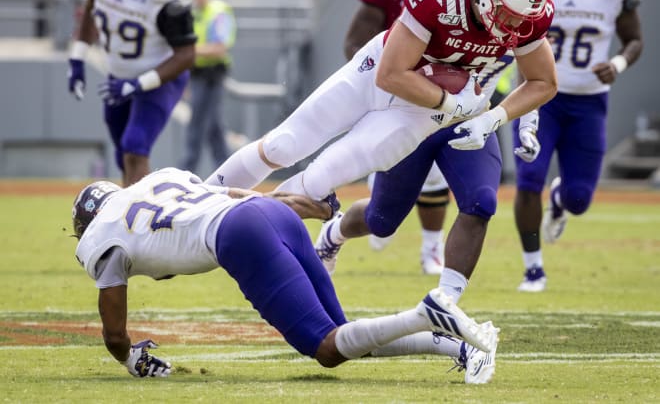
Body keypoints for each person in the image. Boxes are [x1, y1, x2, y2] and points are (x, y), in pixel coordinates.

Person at [205, 0, 557, 228]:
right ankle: (199, 202)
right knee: (285, 144)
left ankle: (245, 229)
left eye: (523, 17)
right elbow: (390, 74)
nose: (516, 26)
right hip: (384, 74)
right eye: (508, 13)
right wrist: (453, 106)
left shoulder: (528, 18)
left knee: (319, 180)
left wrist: (492, 118)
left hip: (421, 111)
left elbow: (544, 81)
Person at [70, 168, 499, 383]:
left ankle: (426, 314)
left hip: (238, 235)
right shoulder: (156, 182)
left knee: (327, 350)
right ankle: (454, 348)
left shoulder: (104, 236)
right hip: (266, 211)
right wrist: (304, 207)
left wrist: (130, 359)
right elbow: (238, 196)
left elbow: (113, 332)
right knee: (348, 337)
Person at [312, 0, 541, 313]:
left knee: (482, 201)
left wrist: (520, 120)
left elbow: (538, 75)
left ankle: (444, 302)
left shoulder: (524, 5)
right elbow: (389, 67)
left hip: (472, 114)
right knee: (381, 220)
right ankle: (332, 233)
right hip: (415, 109)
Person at [513, 0, 643, 293]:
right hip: (541, 95)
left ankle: (559, 199)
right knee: (527, 178)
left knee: (579, 199)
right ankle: (533, 268)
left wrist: (618, 63)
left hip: (589, 101)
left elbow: (634, 39)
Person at [344, 0, 455, 274]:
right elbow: (355, 43)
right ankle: (379, 204)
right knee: (386, 156)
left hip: (439, 86)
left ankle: (431, 250)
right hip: (393, 85)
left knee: (437, 172)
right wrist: (386, 82)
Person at [67, 0, 197, 187]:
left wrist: (138, 84)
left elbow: (187, 55)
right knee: (121, 154)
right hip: (117, 76)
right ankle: (132, 212)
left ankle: (139, 224)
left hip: (160, 75)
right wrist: (77, 58)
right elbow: (92, 10)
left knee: (135, 146)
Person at [179, 0, 237, 174]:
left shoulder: (218, 12)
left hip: (213, 76)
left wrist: (190, 51)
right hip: (196, 75)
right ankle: (195, 171)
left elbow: (219, 47)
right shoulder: (192, 13)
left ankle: (217, 170)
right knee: (203, 125)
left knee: (210, 125)